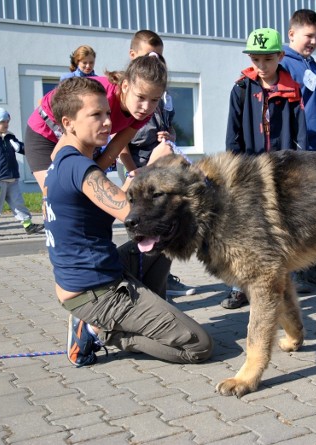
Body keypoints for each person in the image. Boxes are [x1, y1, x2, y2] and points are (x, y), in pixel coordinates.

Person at [45, 76, 213, 367]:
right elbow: (132, 213)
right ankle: (103, 331)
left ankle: (150, 312)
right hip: (94, 292)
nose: (107, 122)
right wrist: (154, 166)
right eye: (95, 115)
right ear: (68, 122)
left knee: (160, 242)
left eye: (107, 113)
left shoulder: (63, 157)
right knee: (198, 345)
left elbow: (108, 171)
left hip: (98, 273)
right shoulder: (77, 166)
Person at [220, 27, 308, 309]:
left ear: (280, 56)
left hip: (282, 171)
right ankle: (239, 287)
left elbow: (300, 133)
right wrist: (232, 169)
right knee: (245, 229)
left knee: (281, 228)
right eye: (256, 59)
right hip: (249, 170)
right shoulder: (241, 88)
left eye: (267, 60)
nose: (261, 66)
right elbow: (232, 132)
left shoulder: (292, 90)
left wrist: (301, 167)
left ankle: (281, 285)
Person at [24, 54, 166, 192]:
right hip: (45, 130)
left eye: (155, 100)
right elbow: (63, 150)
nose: (146, 106)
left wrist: (134, 176)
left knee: (87, 192)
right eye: (140, 97)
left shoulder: (143, 113)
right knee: (56, 193)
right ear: (125, 86)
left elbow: (115, 148)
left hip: (83, 136)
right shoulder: (101, 96)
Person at [122, 30, 194, 299]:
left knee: (164, 226)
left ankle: (161, 284)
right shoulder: (130, 96)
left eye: (159, 57)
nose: (155, 62)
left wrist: (171, 137)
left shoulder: (160, 94)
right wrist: (134, 171)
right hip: (139, 166)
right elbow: (120, 146)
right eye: (149, 56)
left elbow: (168, 126)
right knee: (141, 227)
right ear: (133, 57)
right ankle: (138, 287)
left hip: (160, 165)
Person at [280, 8, 316, 288]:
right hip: (300, 150)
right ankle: (293, 269)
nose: (313, 41)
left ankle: (310, 264)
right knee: (296, 210)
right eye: (308, 35)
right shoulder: (285, 64)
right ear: (292, 34)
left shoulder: (314, 66)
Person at [0, 107, 44, 237]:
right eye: (3, 122)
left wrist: (27, 148)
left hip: (12, 177)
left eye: (7, 121)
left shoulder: (9, 137)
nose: (6, 124)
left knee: (18, 202)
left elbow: (21, 148)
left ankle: (28, 225)